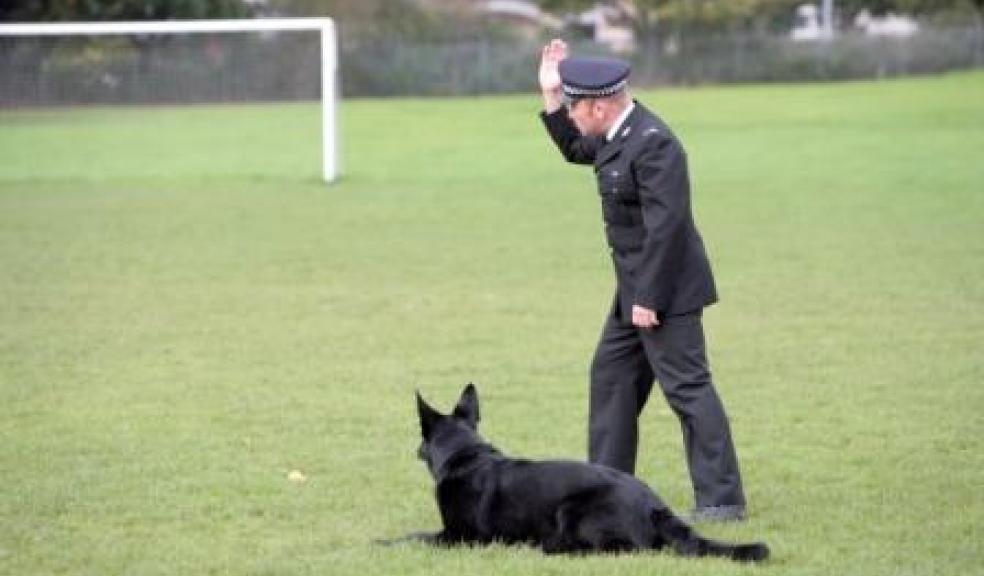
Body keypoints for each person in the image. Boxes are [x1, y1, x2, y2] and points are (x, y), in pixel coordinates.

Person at [537, 39, 748, 522]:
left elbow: (668, 229)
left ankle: (721, 502)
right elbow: (574, 149)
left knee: (688, 390)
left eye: (573, 107)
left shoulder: (655, 145)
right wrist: (550, 96)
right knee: (611, 381)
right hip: (634, 288)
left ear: (600, 105)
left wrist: (649, 298)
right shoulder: (616, 134)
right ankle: (604, 494)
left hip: (664, 291)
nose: (571, 116)